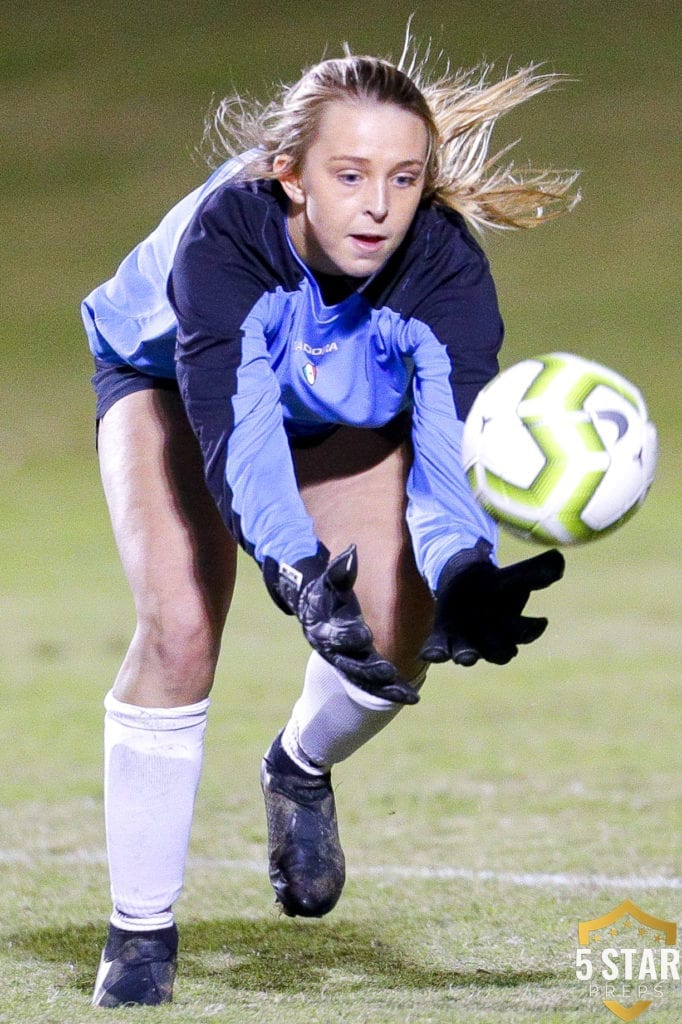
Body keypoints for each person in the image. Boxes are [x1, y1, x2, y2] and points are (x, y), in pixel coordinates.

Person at [81, 33, 579, 1007]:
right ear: (291, 176)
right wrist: (298, 571)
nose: (379, 205)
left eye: (402, 177)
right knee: (182, 627)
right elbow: (237, 431)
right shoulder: (228, 239)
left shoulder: (443, 271)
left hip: (330, 397)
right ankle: (140, 932)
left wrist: (466, 565)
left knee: (399, 630)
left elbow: (445, 440)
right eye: (348, 174)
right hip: (171, 385)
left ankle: (298, 765)